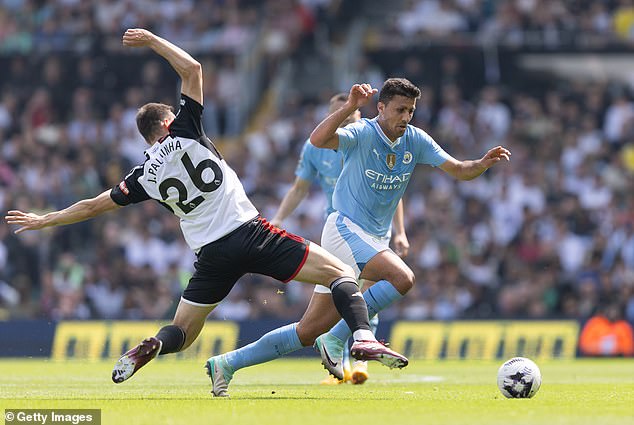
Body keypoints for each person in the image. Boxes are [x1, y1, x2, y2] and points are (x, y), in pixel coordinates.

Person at [3, 29, 408, 396]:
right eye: (172, 115)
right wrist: (152, 42)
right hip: (252, 232)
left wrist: (47, 219)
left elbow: (94, 205)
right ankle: (361, 336)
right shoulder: (185, 129)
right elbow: (192, 68)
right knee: (340, 273)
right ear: (165, 123)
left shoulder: (141, 176)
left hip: (211, 256)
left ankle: (154, 345)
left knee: (182, 331)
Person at [206, 78, 510, 388]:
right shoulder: (363, 132)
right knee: (402, 278)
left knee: (307, 331)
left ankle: (226, 364)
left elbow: (459, 169)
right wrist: (350, 107)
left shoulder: (415, 140)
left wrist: (481, 164)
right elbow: (318, 139)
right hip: (344, 229)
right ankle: (341, 341)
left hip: (371, 238)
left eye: (411, 111)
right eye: (400, 110)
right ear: (380, 108)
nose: (406, 117)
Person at [270, 93, 410, 385]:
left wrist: (401, 231)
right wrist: (280, 217)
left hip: (372, 228)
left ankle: (359, 362)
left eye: (352, 118)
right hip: (337, 228)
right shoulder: (316, 148)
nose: (347, 122)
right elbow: (298, 188)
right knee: (342, 295)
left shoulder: (371, 141)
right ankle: (344, 361)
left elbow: (392, 191)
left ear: (361, 117)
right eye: (342, 118)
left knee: (364, 292)